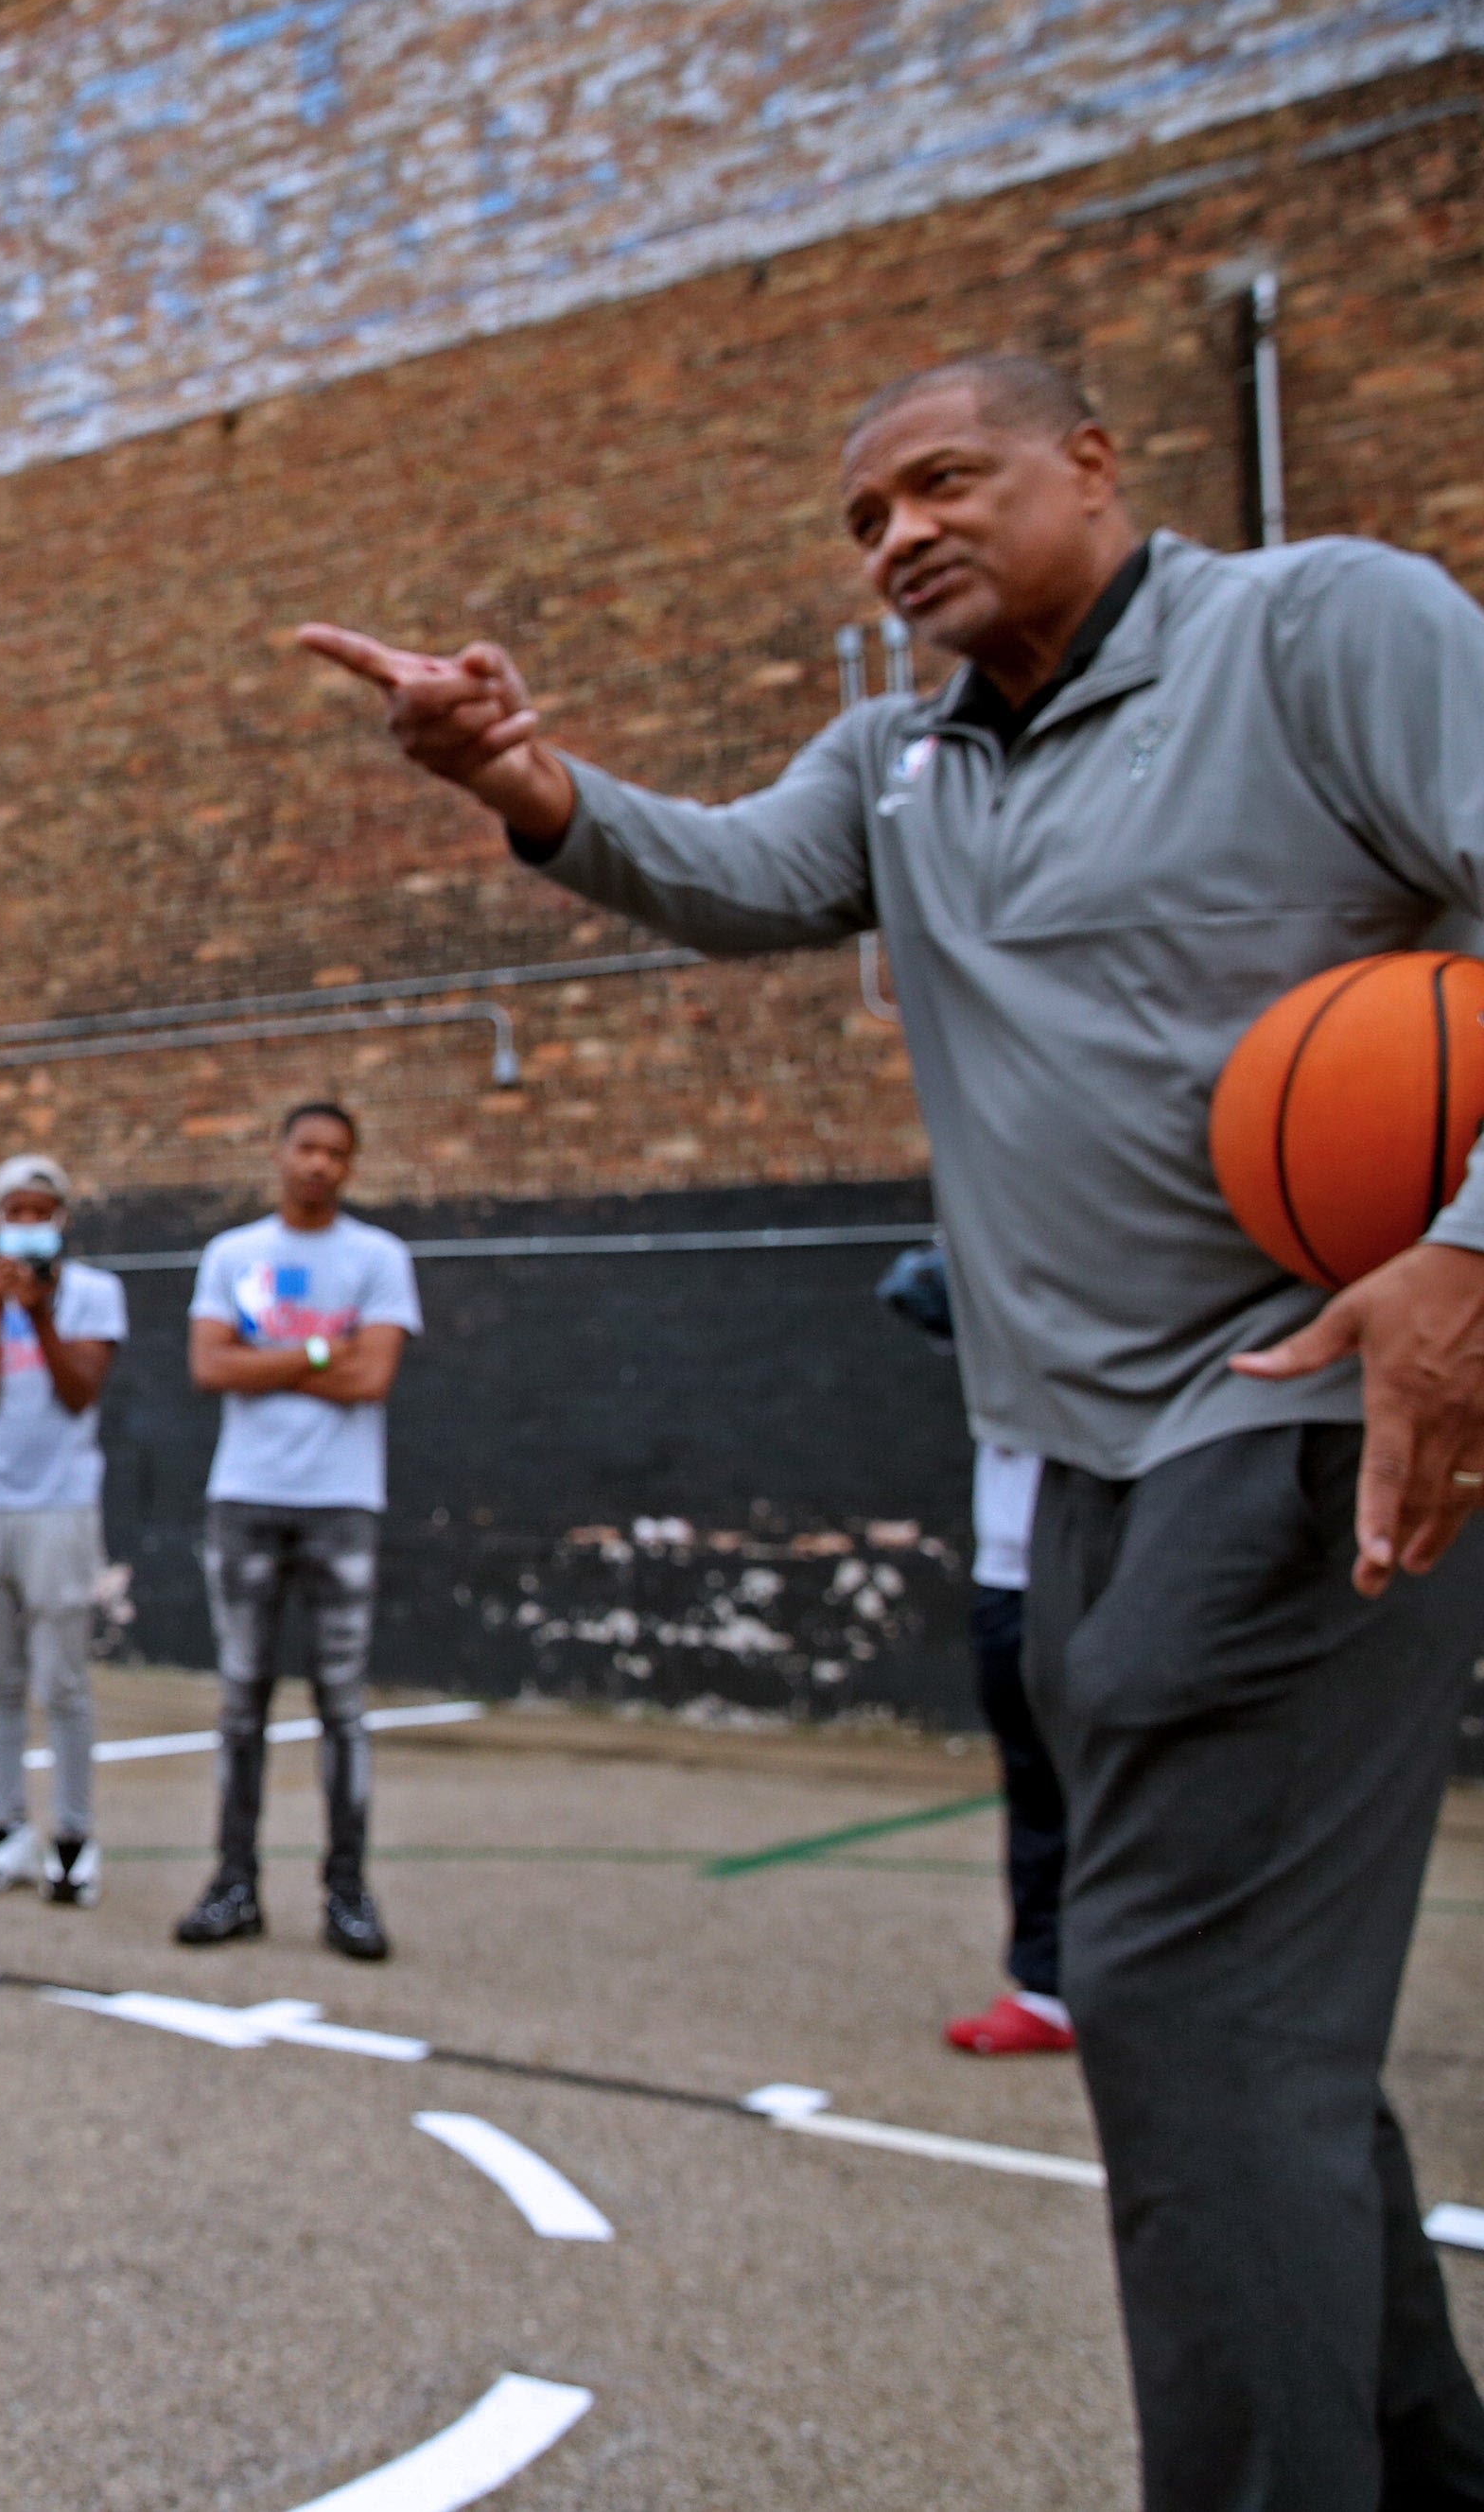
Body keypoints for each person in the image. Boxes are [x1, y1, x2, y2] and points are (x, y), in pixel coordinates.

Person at [303, 350, 1484, 2506]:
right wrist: (516, 776)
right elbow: (734, 877)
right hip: (1092, 1458)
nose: (898, 534)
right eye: (862, 518)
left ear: (1094, 467)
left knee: (1188, 2010)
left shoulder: (1324, 631)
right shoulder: (903, 757)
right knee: (1238, 2028)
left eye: (942, 480)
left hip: (1314, 1413)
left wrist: (1466, 1253)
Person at [172, 1105, 419, 1962]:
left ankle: (346, 1891)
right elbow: (210, 1367)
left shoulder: (379, 1257)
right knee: (242, 1703)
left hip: (342, 1501)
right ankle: (233, 1884)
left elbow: (374, 1376)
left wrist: (263, 1357)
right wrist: (321, 1354)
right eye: (307, 1148)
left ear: (350, 1167)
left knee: (342, 1708)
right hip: (244, 1498)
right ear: (279, 1153)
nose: (319, 1164)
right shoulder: (234, 1253)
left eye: (337, 1154)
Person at [878, 1247, 1074, 2056]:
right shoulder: (1000, 1264)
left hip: (1115, 1562)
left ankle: (1169, 1987)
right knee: (1038, 1787)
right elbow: (913, 1286)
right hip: (1014, 1568)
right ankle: (1052, 1989)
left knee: (1151, 1791)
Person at [0, 1153, 128, 1905]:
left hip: (62, 1502)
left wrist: (41, 1312)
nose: (26, 1222)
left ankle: (75, 1833)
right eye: (12, 1209)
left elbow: (80, 1392)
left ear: (62, 1218)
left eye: (38, 1209)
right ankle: (9, 1824)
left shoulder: (95, 1294)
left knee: (65, 1675)